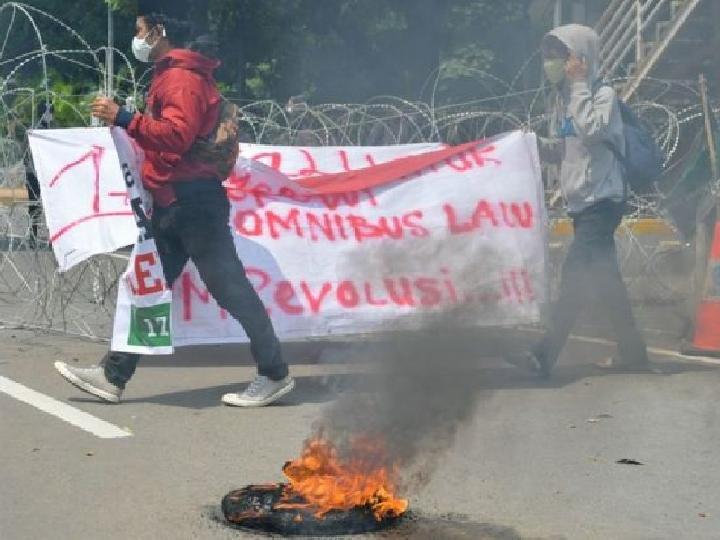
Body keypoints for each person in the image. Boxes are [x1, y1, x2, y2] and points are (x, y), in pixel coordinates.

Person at [54, 11, 294, 407]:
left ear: (159, 32)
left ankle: (274, 372)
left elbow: (177, 137)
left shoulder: (181, 78)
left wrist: (126, 118)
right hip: (175, 203)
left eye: (140, 30)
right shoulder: (173, 73)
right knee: (146, 287)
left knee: (230, 289)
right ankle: (113, 376)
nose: (138, 37)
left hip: (194, 204)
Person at [527, 24, 649, 377]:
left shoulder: (601, 94)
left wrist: (579, 84)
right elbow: (566, 149)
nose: (551, 62)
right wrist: (531, 146)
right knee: (607, 282)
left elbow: (592, 131)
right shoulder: (564, 99)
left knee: (576, 277)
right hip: (582, 202)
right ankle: (634, 354)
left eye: (558, 55)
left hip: (603, 200)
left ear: (580, 58)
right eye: (548, 55)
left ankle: (543, 354)